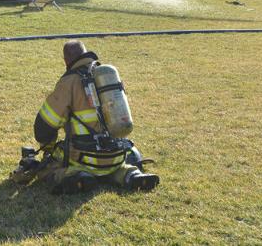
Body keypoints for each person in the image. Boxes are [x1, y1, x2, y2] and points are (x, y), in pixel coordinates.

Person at [13, 40, 159, 193]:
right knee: (115, 169)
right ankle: (131, 175)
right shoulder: (107, 76)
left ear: (66, 61)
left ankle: (78, 177)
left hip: (84, 159)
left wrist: (48, 148)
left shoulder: (69, 82)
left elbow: (44, 126)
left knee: (48, 170)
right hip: (116, 155)